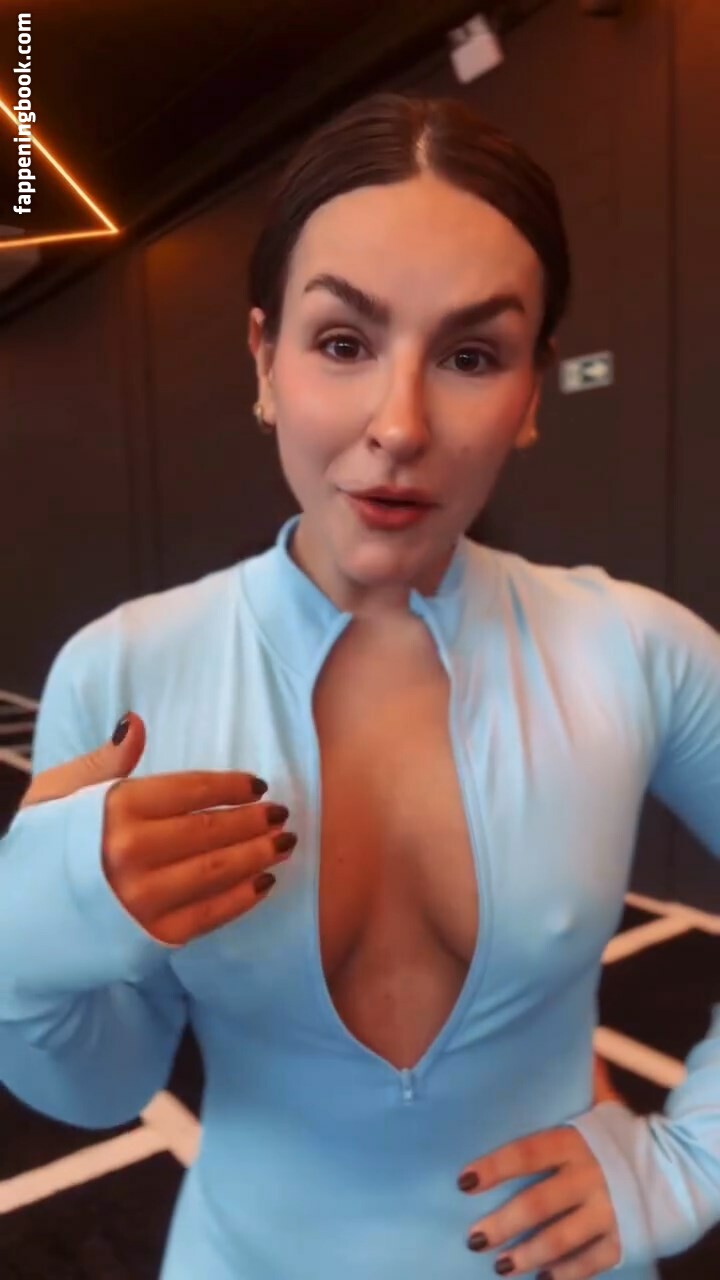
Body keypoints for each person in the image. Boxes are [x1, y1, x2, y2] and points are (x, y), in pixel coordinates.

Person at [1, 91, 718, 1280]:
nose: (400, 424)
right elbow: (101, 1081)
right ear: (264, 360)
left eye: (472, 355)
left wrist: (692, 1160)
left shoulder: (638, 648)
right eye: (343, 342)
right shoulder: (125, 669)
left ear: (531, 394)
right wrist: (24, 933)